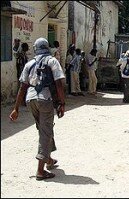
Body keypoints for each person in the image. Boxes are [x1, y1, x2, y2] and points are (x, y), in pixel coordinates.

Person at [9, 37, 65, 180]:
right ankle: (40, 170)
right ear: (47, 47)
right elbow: (59, 83)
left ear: (35, 48)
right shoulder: (52, 61)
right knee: (45, 131)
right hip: (45, 99)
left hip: (30, 99)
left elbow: (22, 86)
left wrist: (16, 109)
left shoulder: (30, 63)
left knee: (43, 128)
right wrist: (62, 103)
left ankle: (49, 159)